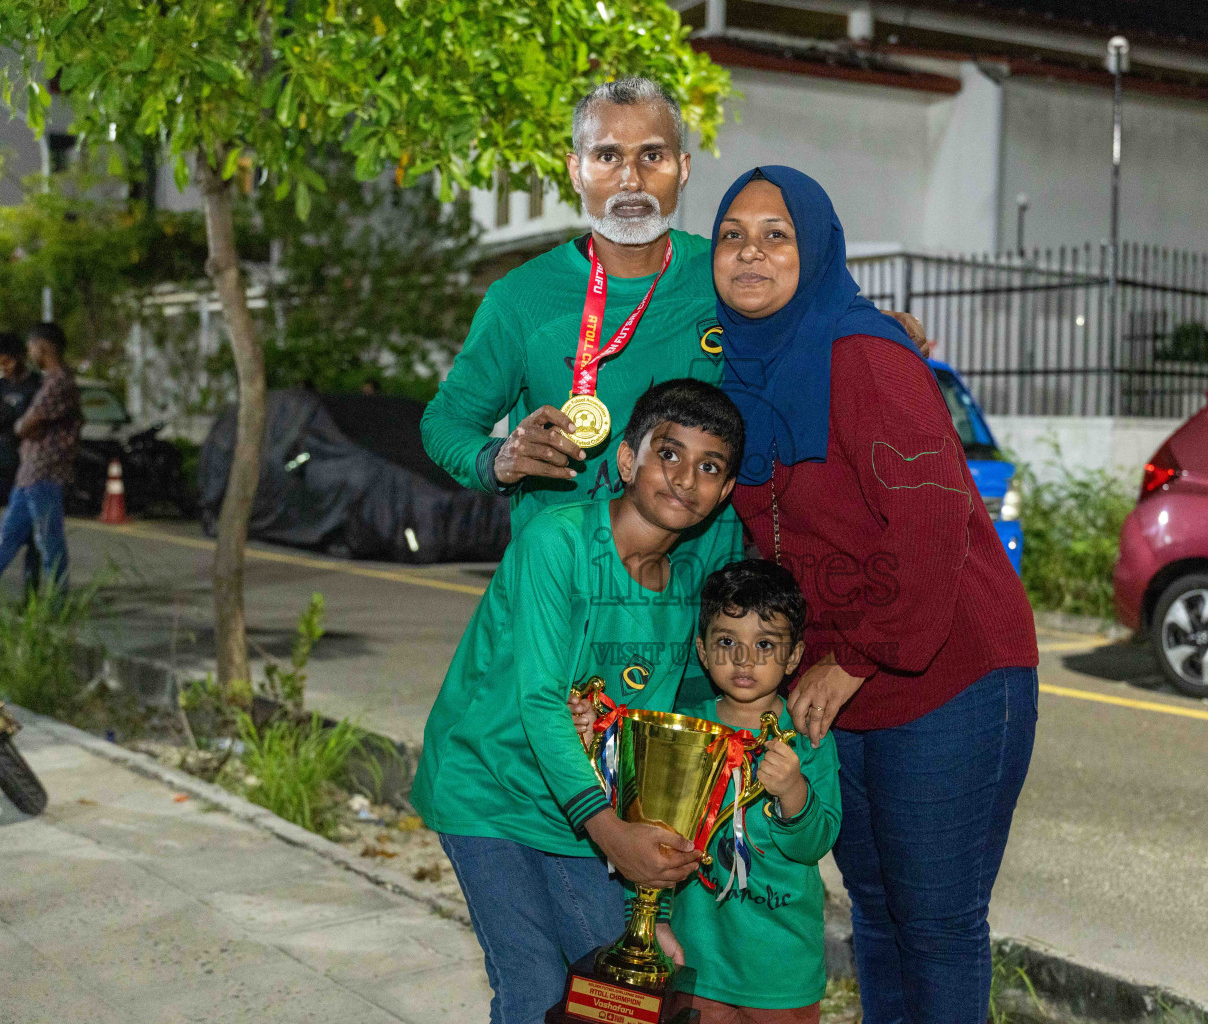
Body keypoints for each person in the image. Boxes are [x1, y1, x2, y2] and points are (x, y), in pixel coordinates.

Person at [420, 77, 925, 703]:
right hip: (568, 610)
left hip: (701, 619)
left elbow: (810, 308)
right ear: (576, 170)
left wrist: (875, 329)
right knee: (559, 784)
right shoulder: (520, 300)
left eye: (651, 155)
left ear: (681, 169)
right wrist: (493, 460)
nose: (630, 178)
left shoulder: (721, 272)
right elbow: (444, 421)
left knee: (671, 796)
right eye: (607, 156)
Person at [710, 167, 1040, 1024]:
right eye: (732, 235)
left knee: (933, 922)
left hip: (948, 673)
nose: (751, 252)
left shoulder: (868, 359)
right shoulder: (738, 370)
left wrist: (850, 660)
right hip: (837, 682)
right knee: (877, 919)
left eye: (776, 235)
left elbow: (931, 543)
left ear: (815, 249)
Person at [411, 379, 744, 1024]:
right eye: (668, 455)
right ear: (626, 461)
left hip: (576, 812)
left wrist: (652, 915)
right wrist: (614, 837)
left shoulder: (681, 596)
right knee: (536, 990)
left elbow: (646, 758)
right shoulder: (557, 541)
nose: (685, 480)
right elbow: (540, 703)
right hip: (489, 787)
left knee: (611, 999)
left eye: (709, 468)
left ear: (724, 493)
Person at [658, 559, 842, 1024]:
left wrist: (793, 792)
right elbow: (656, 833)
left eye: (765, 644)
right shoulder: (686, 728)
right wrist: (655, 915)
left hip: (782, 971)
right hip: (698, 962)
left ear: (795, 656)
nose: (744, 660)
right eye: (726, 642)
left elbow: (815, 843)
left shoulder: (808, 735)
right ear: (701, 650)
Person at [0, 323, 80, 592]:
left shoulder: (58, 382)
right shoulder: (49, 381)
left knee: (48, 544)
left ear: (42, 347)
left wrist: (20, 425)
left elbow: (25, 425)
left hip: (45, 473)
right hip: (27, 473)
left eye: (31, 346)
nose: (29, 352)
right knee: (6, 542)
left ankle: (55, 605)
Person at [0, 331, 43, 589]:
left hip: (27, 472)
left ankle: (31, 598)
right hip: (1, 467)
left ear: (19, 356)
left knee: (32, 539)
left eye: (6, 362)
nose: (2, 368)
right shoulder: (1, 386)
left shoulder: (36, 386)